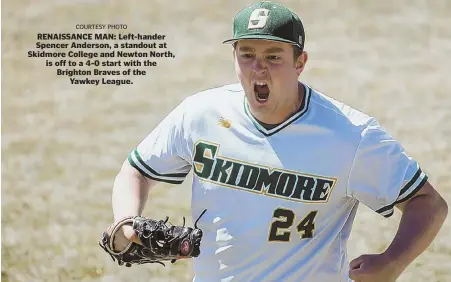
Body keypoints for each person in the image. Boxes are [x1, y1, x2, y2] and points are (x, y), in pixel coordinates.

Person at [110, 1, 448, 281]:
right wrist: (126, 221)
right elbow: (136, 171)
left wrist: (392, 261)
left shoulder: (350, 135)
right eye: (246, 54)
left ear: (300, 62)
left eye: (273, 56)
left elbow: (428, 203)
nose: (258, 68)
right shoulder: (200, 114)